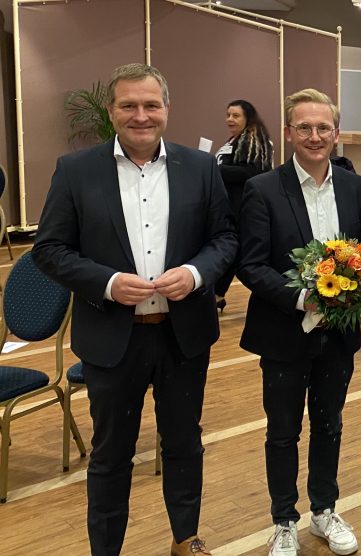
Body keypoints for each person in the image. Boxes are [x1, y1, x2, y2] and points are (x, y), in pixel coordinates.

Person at [33, 63, 237, 556]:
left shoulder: (202, 167)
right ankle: (106, 548)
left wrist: (192, 275)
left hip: (182, 335)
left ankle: (185, 538)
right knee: (110, 455)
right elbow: (50, 249)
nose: (140, 116)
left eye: (151, 105)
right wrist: (104, 282)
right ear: (112, 111)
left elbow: (225, 240)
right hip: (110, 338)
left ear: (167, 109)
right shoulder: (75, 170)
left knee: (185, 445)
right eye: (129, 105)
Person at [237, 89, 361, 556]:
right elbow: (251, 266)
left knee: (329, 423)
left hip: (339, 334)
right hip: (282, 332)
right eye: (304, 128)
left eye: (323, 128)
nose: (314, 136)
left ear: (336, 134)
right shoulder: (262, 189)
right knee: (282, 430)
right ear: (290, 133)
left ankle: (324, 510)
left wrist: (358, 289)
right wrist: (304, 298)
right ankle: (284, 519)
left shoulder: (355, 188)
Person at [214, 99, 274, 310]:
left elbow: (253, 172)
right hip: (230, 205)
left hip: (242, 208)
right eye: (228, 114)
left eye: (235, 115)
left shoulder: (252, 140)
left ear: (247, 117)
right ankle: (218, 295)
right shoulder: (237, 139)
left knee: (233, 253)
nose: (230, 119)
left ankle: (217, 295)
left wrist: (213, 168)